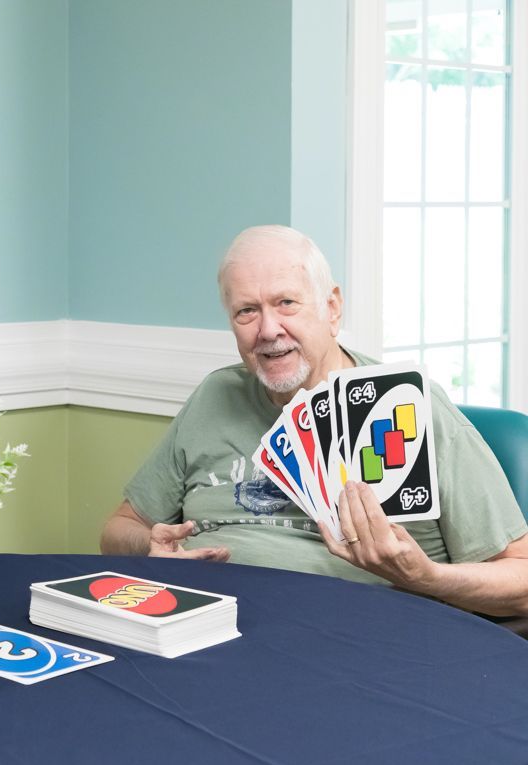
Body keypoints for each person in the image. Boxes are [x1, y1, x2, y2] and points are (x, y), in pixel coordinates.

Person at [101, 224, 528, 617]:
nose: (268, 329)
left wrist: (425, 578)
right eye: (246, 311)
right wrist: (149, 546)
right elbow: (120, 529)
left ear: (332, 308)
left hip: (354, 640)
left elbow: (521, 577)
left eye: (286, 303)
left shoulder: (412, 408)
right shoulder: (216, 396)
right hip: (204, 624)